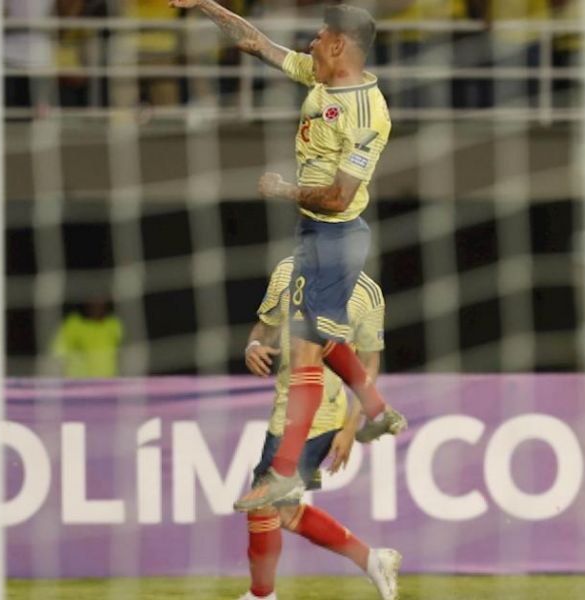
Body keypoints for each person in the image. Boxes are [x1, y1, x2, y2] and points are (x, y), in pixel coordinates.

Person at [167, 0, 406, 510]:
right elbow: (256, 43)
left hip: (338, 236)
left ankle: (285, 472)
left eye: (320, 36)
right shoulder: (320, 81)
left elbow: (340, 197)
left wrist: (284, 190)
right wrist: (208, 5)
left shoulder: (368, 112)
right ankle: (377, 410)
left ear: (340, 44)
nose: (312, 42)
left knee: (304, 353)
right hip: (316, 234)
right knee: (314, 346)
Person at [237, 256, 399, 600]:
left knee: (264, 500)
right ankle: (373, 561)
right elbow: (264, 327)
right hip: (283, 410)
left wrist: (349, 426)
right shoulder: (285, 271)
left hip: (321, 416)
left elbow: (368, 364)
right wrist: (253, 346)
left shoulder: (367, 293)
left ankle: (262, 595)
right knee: (284, 510)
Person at [51, 295, 122, 378]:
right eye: (93, 299)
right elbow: (57, 357)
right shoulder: (72, 324)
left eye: (100, 299)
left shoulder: (114, 324)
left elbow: (124, 356)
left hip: (109, 385)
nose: (97, 303)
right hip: (79, 385)